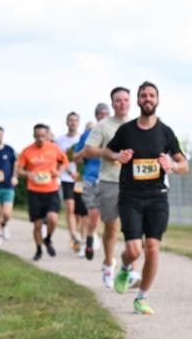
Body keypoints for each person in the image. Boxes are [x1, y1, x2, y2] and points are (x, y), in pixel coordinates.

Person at [103, 81, 188, 315]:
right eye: (143, 95)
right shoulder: (127, 130)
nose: (148, 98)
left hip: (157, 198)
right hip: (130, 197)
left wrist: (172, 164)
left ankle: (142, 297)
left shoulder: (165, 132)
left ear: (157, 100)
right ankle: (125, 267)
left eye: (151, 95)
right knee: (134, 251)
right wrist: (118, 155)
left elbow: (184, 164)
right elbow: (106, 152)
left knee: (152, 248)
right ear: (138, 101)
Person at [83, 87, 136, 289]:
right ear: (112, 103)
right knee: (112, 227)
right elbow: (88, 150)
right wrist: (113, 154)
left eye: (125, 99)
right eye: (118, 100)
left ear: (130, 102)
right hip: (110, 181)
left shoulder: (137, 125)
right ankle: (108, 263)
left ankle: (130, 269)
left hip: (134, 182)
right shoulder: (104, 126)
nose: (122, 103)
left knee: (133, 228)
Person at [16, 123, 70, 261]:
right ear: (34, 136)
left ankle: (48, 239)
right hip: (34, 191)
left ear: (47, 136)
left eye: (43, 136)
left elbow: (65, 162)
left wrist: (58, 172)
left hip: (51, 189)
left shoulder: (54, 149)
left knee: (53, 218)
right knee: (38, 224)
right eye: (38, 136)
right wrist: (28, 174)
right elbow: (19, 170)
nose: (40, 139)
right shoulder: (27, 151)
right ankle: (39, 249)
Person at [75, 103, 109, 259]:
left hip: (111, 179)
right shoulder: (88, 134)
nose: (103, 116)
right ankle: (88, 239)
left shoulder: (117, 132)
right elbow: (76, 158)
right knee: (92, 214)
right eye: (100, 114)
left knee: (109, 218)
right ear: (96, 116)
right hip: (91, 178)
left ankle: (95, 237)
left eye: (105, 114)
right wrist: (89, 151)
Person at [55, 112, 83, 251]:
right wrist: (69, 172)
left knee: (79, 211)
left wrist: (79, 172)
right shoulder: (60, 141)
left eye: (75, 120)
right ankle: (73, 235)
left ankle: (76, 233)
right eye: (70, 120)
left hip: (80, 179)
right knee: (70, 208)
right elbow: (59, 161)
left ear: (78, 123)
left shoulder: (83, 138)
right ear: (67, 122)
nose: (72, 123)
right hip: (66, 178)